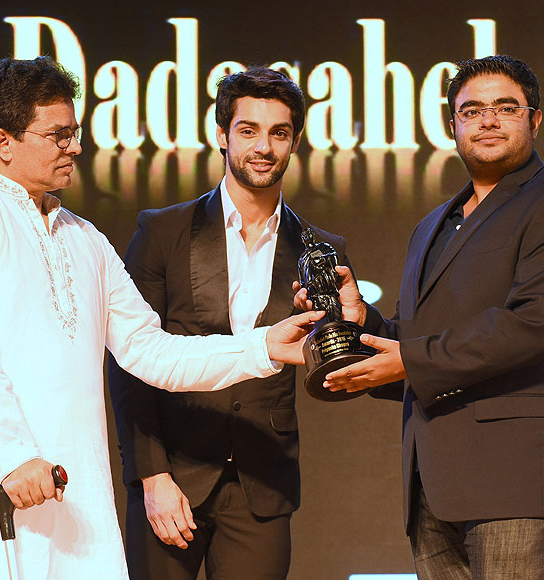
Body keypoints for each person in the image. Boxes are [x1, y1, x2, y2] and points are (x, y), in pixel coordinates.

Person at [0, 56, 321, 580]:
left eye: (75, 132)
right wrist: (13, 456)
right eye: (59, 135)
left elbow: (153, 351)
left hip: (74, 492)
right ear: (4, 142)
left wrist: (263, 346)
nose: (76, 147)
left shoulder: (85, 239)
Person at [299, 55, 544, 579]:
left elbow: (535, 324)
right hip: (434, 487)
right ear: (453, 127)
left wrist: (407, 361)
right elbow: (418, 343)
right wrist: (361, 323)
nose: (487, 120)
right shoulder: (432, 226)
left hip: (521, 483)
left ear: (534, 120)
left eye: (505, 107)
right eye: (471, 110)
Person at [107, 66, 347, 580]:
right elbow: (128, 361)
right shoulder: (163, 232)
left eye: (278, 133)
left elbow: (333, 369)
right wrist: (151, 475)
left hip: (263, 483)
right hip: (173, 472)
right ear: (221, 135)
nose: (263, 146)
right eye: (248, 130)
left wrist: (348, 335)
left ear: (295, 142)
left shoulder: (321, 251)